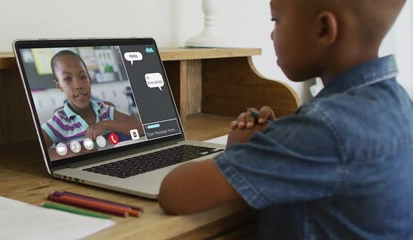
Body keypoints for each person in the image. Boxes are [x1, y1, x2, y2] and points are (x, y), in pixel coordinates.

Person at [158, 0, 413, 239]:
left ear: (324, 29)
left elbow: (175, 193)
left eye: (276, 20)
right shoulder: (398, 102)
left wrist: (243, 147)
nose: (271, 34)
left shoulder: (324, 128)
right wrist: (281, 138)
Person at [42, 50, 144, 149]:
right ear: (59, 85)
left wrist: (105, 124)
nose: (78, 85)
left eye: (82, 77)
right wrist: (72, 154)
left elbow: (140, 128)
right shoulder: (59, 122)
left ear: (89, 79)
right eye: (68, 79)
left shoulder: (105, 110)